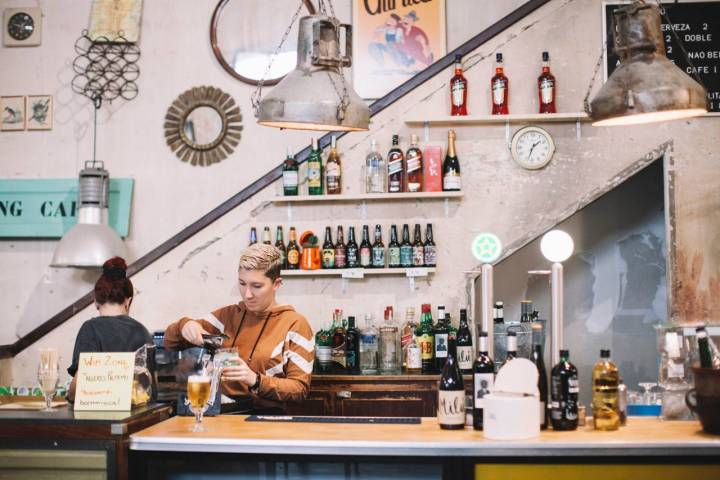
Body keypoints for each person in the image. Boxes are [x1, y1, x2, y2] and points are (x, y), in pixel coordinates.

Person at [164, 244, 315, 414]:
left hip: (265, 422)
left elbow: (299, 389)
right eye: (242, 284)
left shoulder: (295, 325)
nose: (247, 294)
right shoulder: (227, 317)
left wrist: (255, 380)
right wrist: (185, 325)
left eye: (257, 286)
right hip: (219, 419)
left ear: (277, 284)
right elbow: (170, 341)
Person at [66, 257, 152, 402]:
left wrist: (70, 395)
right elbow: (149, 388)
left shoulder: (90, 329)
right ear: (128, 301)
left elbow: (81, 384)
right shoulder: (142, 331)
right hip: (139, 418)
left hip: (100, 421)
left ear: (95, 301)